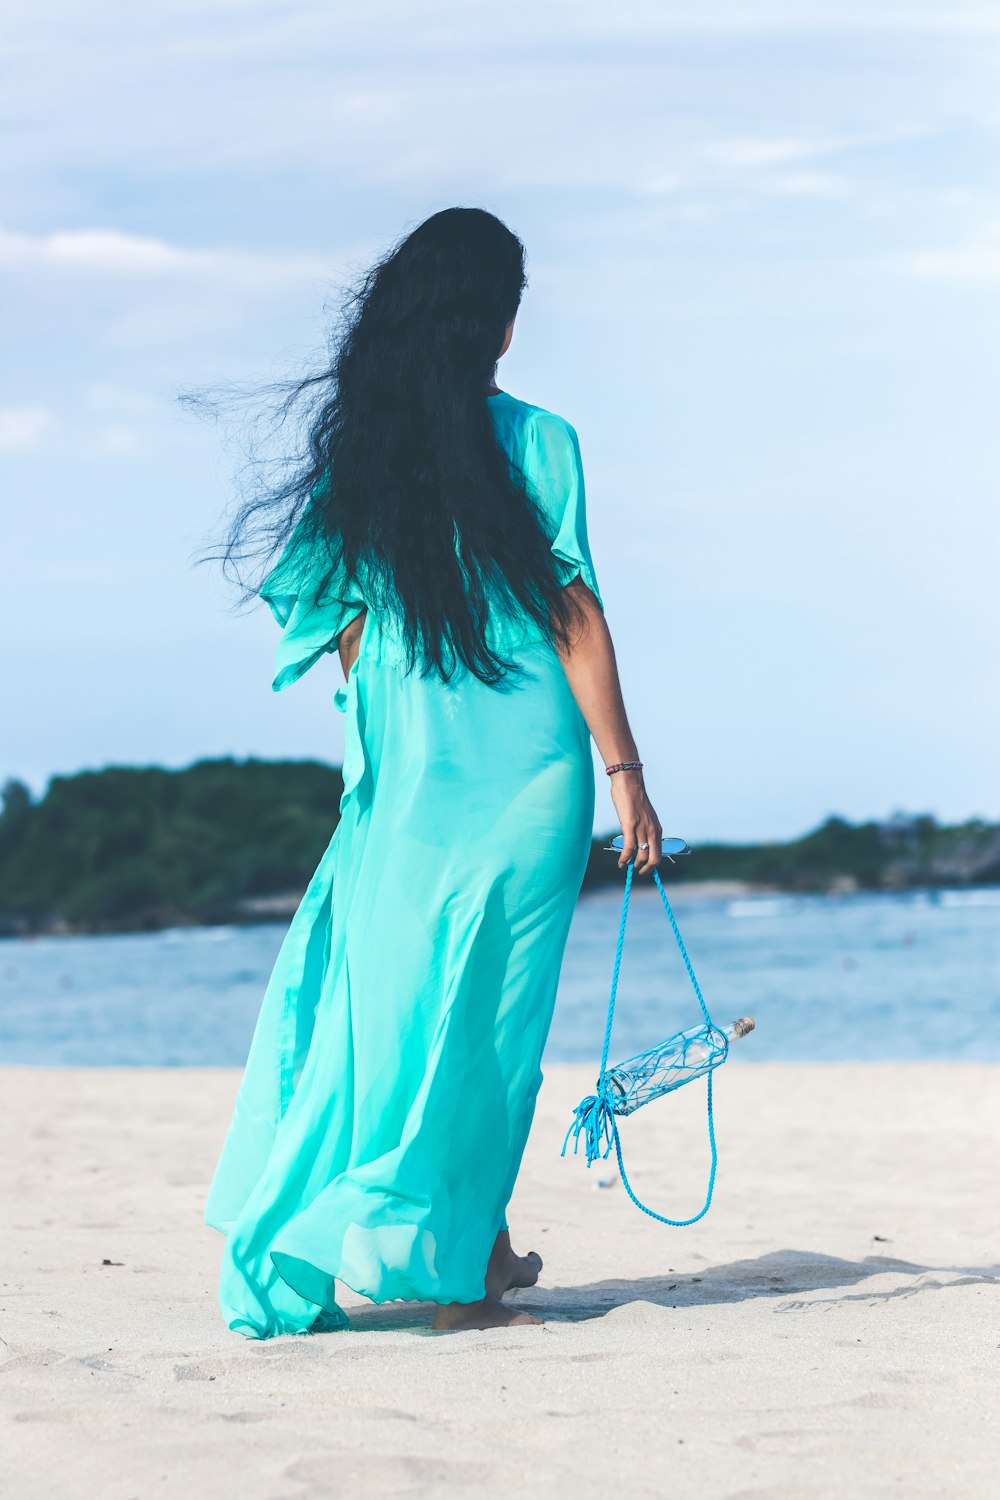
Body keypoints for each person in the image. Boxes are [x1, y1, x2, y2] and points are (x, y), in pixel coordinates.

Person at [203, 207, 662, 1337]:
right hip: (535, 777)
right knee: (491, 1029)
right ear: (498, 327)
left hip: (411, 784)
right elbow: (574, 610)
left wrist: (390, 707)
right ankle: (463, 1269)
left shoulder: (366, 465)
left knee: (404, 1014)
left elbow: (318, 608)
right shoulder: (542, 441)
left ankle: (476, 1253)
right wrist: (627, 774)